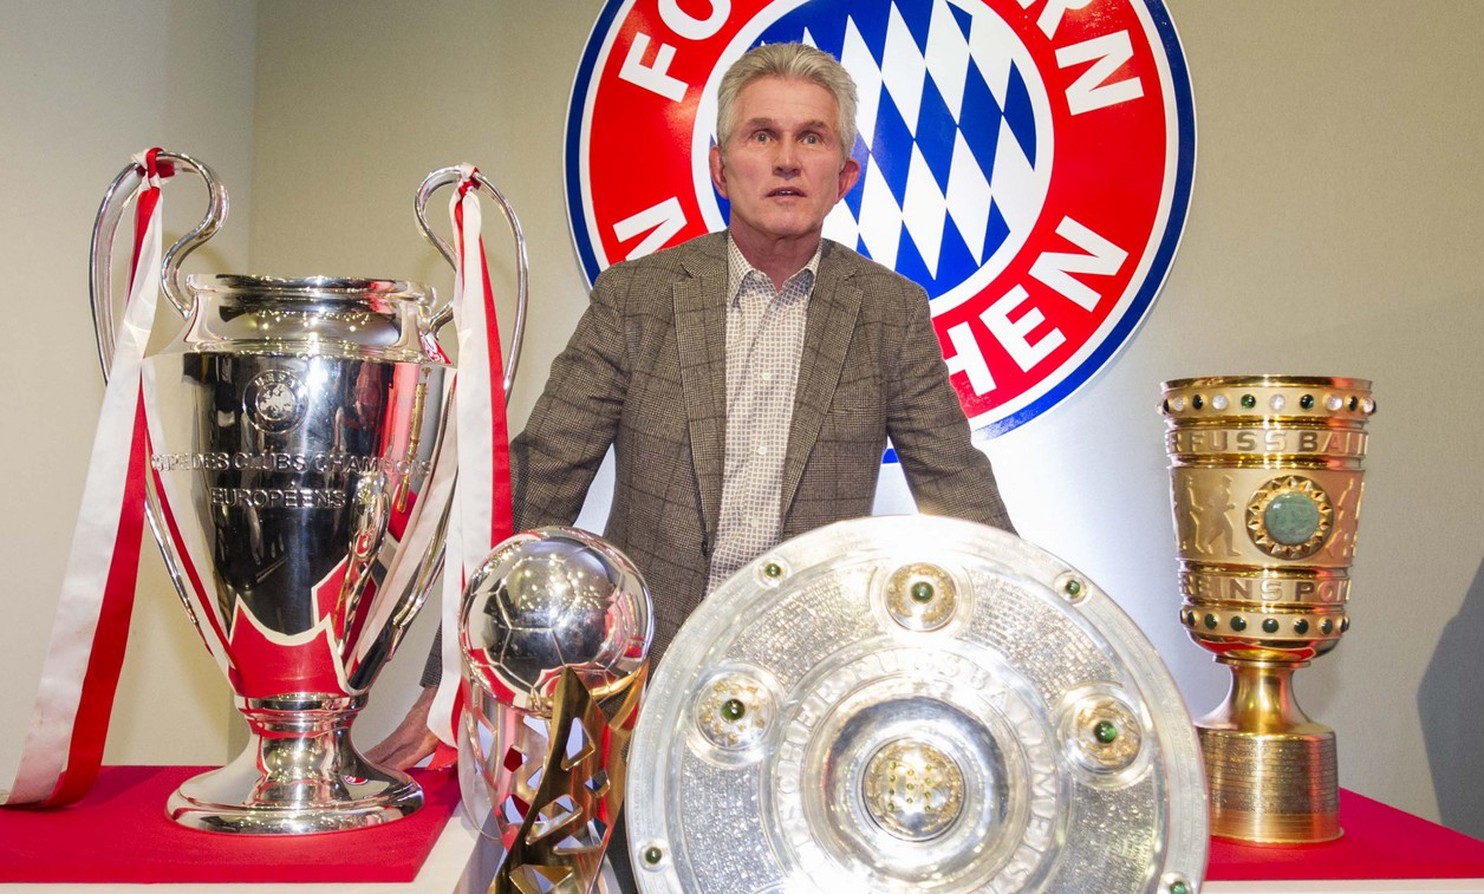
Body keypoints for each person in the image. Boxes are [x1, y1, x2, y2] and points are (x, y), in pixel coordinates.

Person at [370, 36, 1013, 797]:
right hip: (637, 684)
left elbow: (957, 489)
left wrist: (1022, 657)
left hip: (809, 693)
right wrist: (451, 682)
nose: (785, 160)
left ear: (845, 175)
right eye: (761, 135)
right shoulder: (637, 298)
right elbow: (544, 478)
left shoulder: (889, 311)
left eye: (811, 138)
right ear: (719, 165)